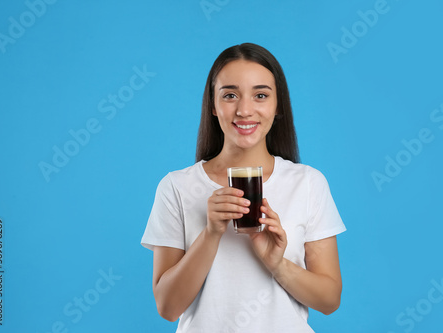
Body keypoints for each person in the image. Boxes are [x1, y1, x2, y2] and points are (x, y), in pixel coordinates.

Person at [141, 43, 346, 332]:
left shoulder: (308, 183)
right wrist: (211, 233)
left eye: (260, 95)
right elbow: (168, 306)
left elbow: (329, 300)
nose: (245, 110)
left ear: (277, 106)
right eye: (230, 95)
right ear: (212, 105)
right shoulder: (177, 187)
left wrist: (277, 264)